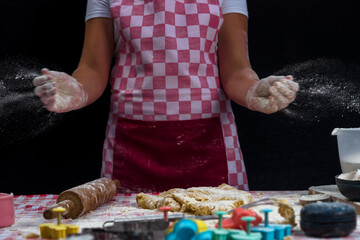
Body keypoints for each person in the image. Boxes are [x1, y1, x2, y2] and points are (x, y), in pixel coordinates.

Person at [33, 0, 299, 193]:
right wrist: (76, 90)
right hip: (131, 147)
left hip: (210, 146)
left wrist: (253, 91)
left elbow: (236, 71)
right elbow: (92, 69)